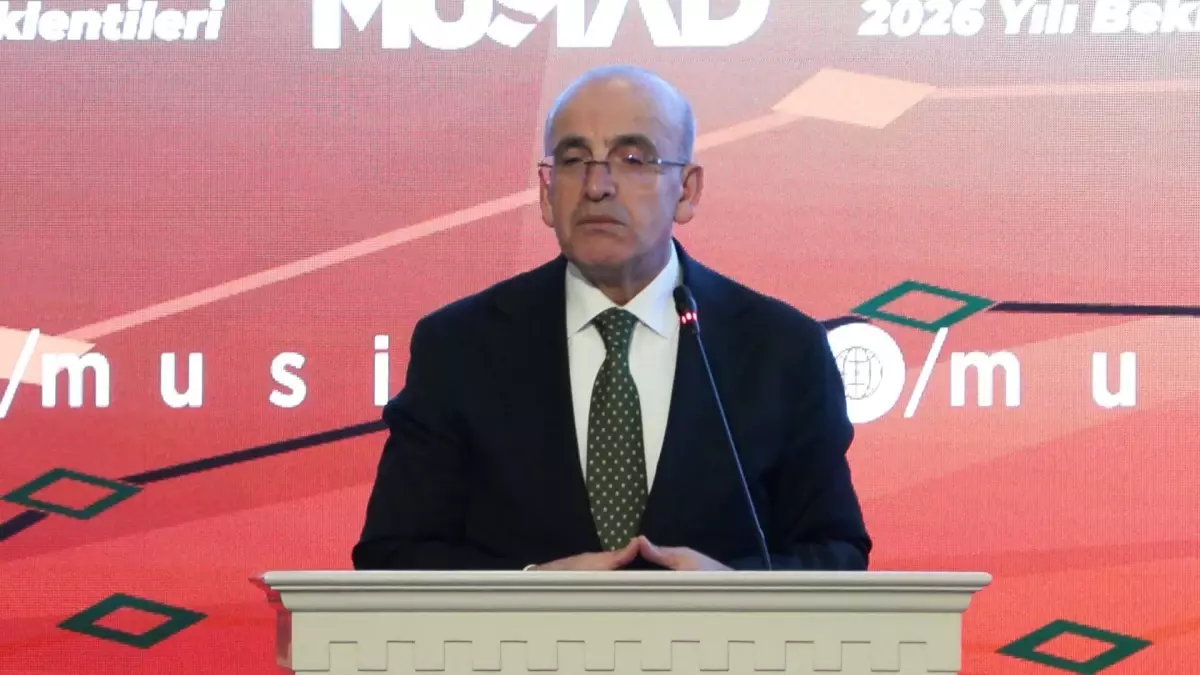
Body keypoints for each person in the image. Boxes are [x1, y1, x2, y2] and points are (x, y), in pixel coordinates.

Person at [352, 65, 871, 572]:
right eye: (574, 159)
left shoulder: (783, 348)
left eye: (632, 158)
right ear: (546, 192)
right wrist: (531, 588)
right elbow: (390, 555)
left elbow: (838, 553)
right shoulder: (459, 347)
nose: (596, 185)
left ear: (687, 191)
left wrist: (733, 591)